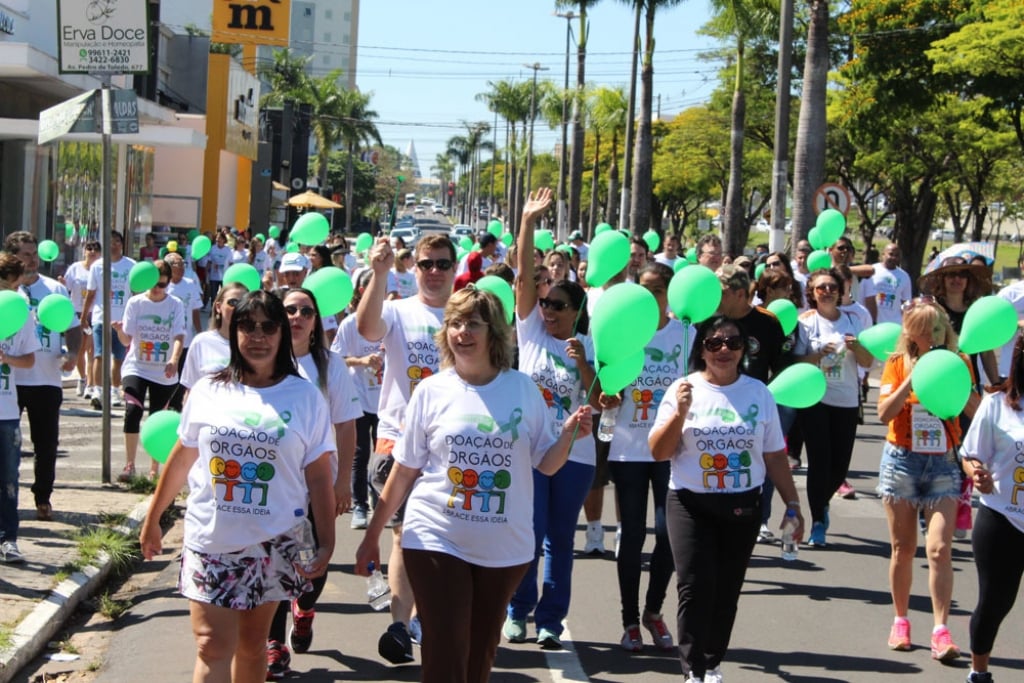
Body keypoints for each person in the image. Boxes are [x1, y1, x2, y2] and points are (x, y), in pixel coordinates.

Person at [355, 287, 592, 683]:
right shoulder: (432, 390)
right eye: (455, 323)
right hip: (435, 537)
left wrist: (569, 434)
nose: (462, 332)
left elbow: (546, 464)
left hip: (504, 548)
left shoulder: (521, 388)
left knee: (479, 656)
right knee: (446, 650)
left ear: (494, 333)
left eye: (473, 324)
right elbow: (404, 470)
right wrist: (372, 534)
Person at [139, 289, 336, 683]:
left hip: (273, 539)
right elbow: (181, 457)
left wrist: (327, 541)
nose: (257, 336)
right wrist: (154, 517)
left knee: (252, 645)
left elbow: (317, 475)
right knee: (210, 644)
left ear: (282, 333)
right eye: (247, 326)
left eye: (268, 326)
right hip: (210, 536)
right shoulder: (210, 390)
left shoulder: (305, 397)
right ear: (234, 332)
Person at [649, 315, 804, 683]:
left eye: (733, 343)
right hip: (689, 501)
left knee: (726, 589)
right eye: (714, 343)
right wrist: (681, 413)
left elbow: (774, 455)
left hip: (742, 504)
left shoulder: (758, 393)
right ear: (701, 349)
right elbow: (658, 451)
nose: (723, 350)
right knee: (693, 584)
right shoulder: (682, 389)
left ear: (744, 350)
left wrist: (793, 505)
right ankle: (693, 671)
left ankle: (712, 660)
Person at [356, 232, 457, 664]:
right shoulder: (397, 310)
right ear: (413, 268)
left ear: (455, 268)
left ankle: (418, 615)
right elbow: (365, 328)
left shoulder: (465, 317)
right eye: (426, 264)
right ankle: (399, 624)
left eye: (442, 264)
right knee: (403, 533)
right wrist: (378, 274)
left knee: (438, 540)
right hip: (397, 438)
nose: (434, 272)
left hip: (451, 448)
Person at [505, 187, 599, 650]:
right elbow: (523, 277)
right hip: (530, 450)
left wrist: (584, 365)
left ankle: (550, 621)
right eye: (545, 304)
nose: (547, 310)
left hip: (577, 454)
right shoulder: (532, 331)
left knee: (560, 539)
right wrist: (527, 222)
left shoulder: (592, 343)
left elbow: (605, 399)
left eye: (558, 306)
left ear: (576, 311)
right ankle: (518, 610)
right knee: (530, 531)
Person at [876, 297, 978, 661]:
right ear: (909, 333)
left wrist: (960, 388)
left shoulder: (958, 362)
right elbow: (883, 412)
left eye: (934, 327)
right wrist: (912, 379)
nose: (928, 335)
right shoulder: (896, 363)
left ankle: (940, 630)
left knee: (938, 549)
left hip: (943, 465)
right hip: (902, 461)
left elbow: (976, 412)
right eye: (920, 329)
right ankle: (900, 620)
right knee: (903, 548)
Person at [265, 287, 359, 678]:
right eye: (290, 309)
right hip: (275, 483)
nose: (298, 317)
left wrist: (342, 482)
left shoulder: (330, 365)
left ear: (316, 319)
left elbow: (347, 424)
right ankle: (274, 644)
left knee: (316, 560)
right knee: (270, 563)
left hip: (319, 483)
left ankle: (304, 608)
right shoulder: (265, 361)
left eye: (306, 310)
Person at [604, 263, 692, 652]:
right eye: (644, 288)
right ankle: (629, 621)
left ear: (670, 294)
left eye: (658, 290)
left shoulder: (686, 333)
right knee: (632, 536)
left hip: (669, 450)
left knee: (668, 535)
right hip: (628, 450)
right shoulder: (625, 334)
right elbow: (607, 384)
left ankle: (653, 612)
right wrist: (609, 396)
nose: (650, 296)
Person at [4, 232, 82, 522]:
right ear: (13, 257)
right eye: (26, 254)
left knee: (46, 444)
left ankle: (42, 497)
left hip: (46, 379)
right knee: (6, 445)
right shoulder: (7, 292)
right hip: (10, 381)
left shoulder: (54, 290)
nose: (32, 259)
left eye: (34, 253)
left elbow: (73, 328)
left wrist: (73, 354)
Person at [793, 268, 874, 547]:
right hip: (815, 400)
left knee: (839, 468)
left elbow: (867, 362)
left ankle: (822, 503)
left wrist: (856, 347)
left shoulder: (854, 319)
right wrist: (817, 355)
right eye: (820, 288)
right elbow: (795, 364)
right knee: (819, 462)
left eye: (832, 287)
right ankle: (817, 521)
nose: (826, 291)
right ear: (812, 293)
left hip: (847, 401)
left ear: (841, 291)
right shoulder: (805, 323)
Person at [959, 335, 1024, 683]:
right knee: (996, 603)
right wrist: (977, 474)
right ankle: (979, 672)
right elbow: (970, 454)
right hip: (1003, 517)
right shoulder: (998, 402)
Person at [112, 260, 186, 481]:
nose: (156, 289)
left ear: (168, 284)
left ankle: (154, 469)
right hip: (137, 366)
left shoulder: (175, 304)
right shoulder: (135, 303)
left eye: (162, 285)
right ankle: (130, 465)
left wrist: (174, 359)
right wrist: (118, 331)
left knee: (157, 419)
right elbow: (127, 339)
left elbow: (179, 336)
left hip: (163, 371)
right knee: (133, 411)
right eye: (153, 284)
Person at [331, 269, 383, 530]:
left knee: (385, 454)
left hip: (386, 401)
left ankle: (380, 499)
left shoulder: (390, 321)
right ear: (362, 293)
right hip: (358, 398)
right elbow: (336, 358)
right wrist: (362, 361)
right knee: (359, 454)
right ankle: (360, 505)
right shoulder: (350, 324)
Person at [0, 254, 39, 563]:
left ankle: (8, 539)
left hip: (7, 411)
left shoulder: (20, 312)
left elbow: (29, 360)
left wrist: (6, 359)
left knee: (9, 480)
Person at [81, 230, 136, 410]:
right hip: (100, 317)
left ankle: (114, 390)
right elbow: (91, 294)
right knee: (99, 355)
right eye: (110, 241)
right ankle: (98, 391)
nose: (114, 244)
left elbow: (136, 294)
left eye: (117, 241)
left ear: (122, 244)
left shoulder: (131, 266)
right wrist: (84, 317)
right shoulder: (98, 266)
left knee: (118, 357)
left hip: (122, 321)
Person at [179, 283, 246, 400]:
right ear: (218, 307)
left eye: (244, 304)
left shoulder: (256, 344)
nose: (238, 308)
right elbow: (190, 390)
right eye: (233, 302)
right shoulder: (202, 342)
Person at [163, 252, 204, 412]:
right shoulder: (164, 286)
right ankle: (165, 401)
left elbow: (195, 310)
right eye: (177, 264)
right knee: (168, 371)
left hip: (186, 338)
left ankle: (177, 405)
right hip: (167, 337)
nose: (181, 268)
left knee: (182, 372)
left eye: (182, 264)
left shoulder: (190, 284)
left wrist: (199, 331)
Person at [61, 240, 100, 398]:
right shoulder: (75, 268)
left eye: (95, 249)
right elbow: (66, 288)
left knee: (93, 350)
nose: (92, 251)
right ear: (84, 251)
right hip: (76, 312)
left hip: (94, 313)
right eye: (89, 248)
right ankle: (82, 378)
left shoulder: (100, 269)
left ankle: (91, 384)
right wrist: (62, 284)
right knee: (79, 349)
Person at [861, 243, 912, 325]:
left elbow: (906, 303)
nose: (894, 258)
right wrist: (872, 322)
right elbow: (867, 299)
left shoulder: (904, 276)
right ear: (883, 255)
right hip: (872, 324)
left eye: (897, 255)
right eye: (891, 254)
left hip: (895, 325)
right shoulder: (871, 271)